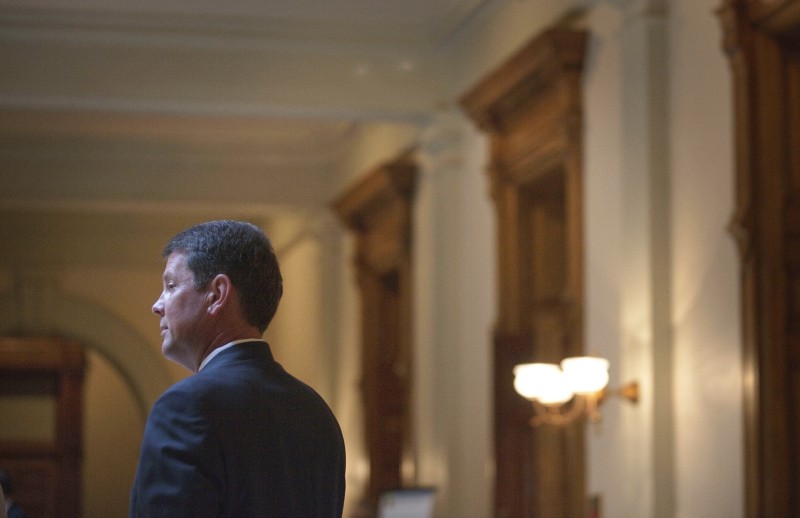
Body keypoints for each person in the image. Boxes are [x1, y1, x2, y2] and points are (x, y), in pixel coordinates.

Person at [130, 220, 346, 517]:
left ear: (217, 294)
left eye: (171, 286)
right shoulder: (317, 412)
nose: (158, 305)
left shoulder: (185, 408)